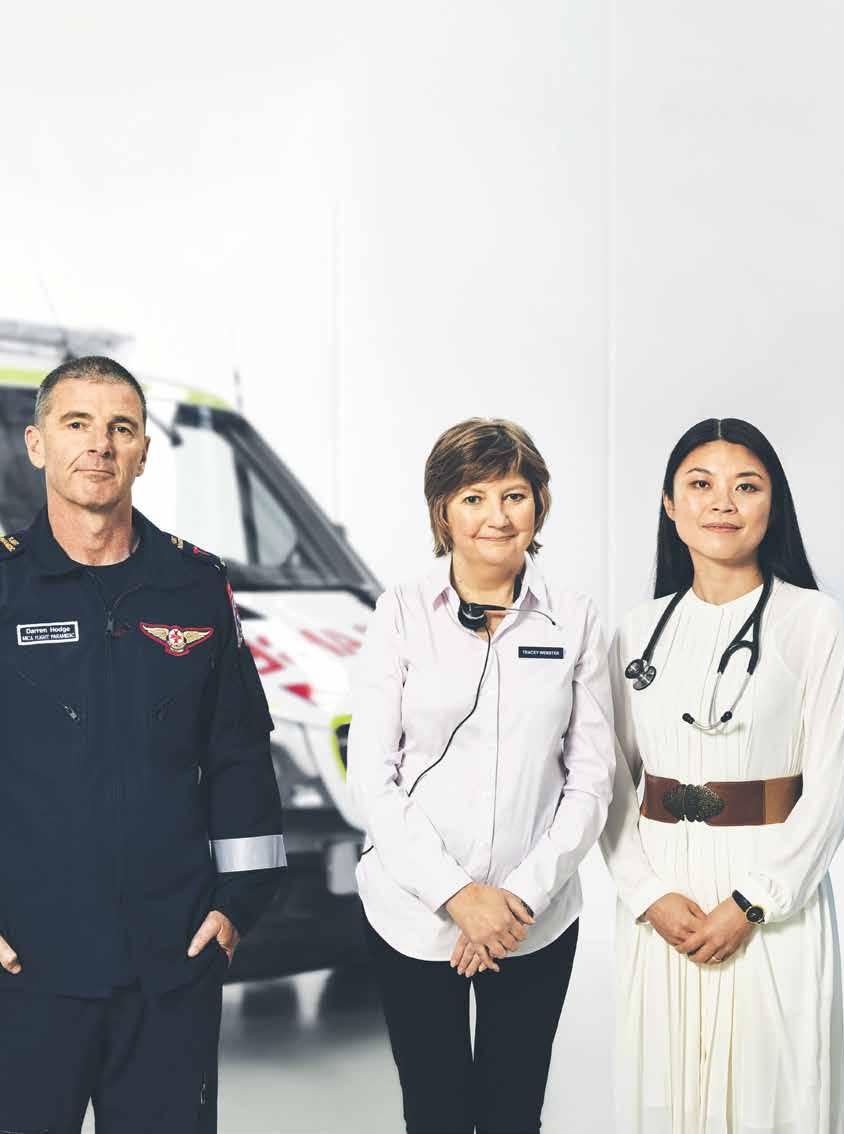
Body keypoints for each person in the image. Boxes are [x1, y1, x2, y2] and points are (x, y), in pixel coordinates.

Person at [0, 356, 285, 1133]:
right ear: (36, 444)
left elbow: (238, 752)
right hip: (27, 972)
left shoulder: (195, 584)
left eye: (121, 427)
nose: (100, 444)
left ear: (145, 451)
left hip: (171, 969)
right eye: (77, 424)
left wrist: (236, 907)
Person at [348, 417, 615, 1134]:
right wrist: (459, 896)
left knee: (513, 1113)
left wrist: (514, 901)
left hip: (535, 917)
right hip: (414, 913)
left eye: (514, 495)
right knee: (433, 1112)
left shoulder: (574, 620)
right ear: (442, 510)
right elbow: (371, 777)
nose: (496, 516)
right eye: (473, 497)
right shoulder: (400, 613)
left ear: (539, 504)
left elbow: (591, 779)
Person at [600, 417, 844, 1134]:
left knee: (771, 1094)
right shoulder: (636, 632)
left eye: (746, 486)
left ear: (773, 503)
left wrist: (752, 903)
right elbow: (608, 783)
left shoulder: (814, 623)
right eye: (700, 484)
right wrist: (646, 894)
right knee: (666, 1092)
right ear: (669, 504)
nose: (722, 502)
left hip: (770, 894)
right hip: (665, 898)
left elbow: (832, 790)